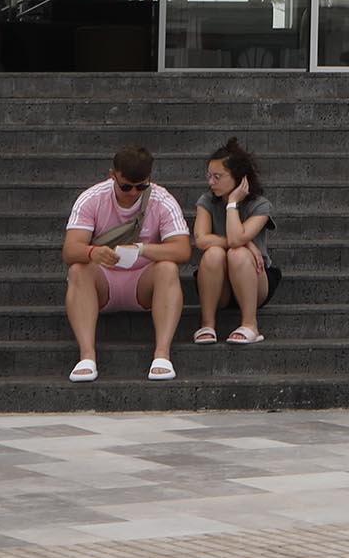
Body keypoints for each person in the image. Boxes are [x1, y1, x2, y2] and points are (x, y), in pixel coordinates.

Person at [62, 144, 192, 382]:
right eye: (126, 187)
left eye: (141, 186)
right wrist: (93, 252)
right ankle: (87, 355)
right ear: (113, 175)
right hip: (103, 281)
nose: (133, 193)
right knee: (78, 269)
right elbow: (70, 250)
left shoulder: (162, 200)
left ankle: (162, 353)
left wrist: (144, 249)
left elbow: (183, 250)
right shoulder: (92, 198)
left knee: (168, 267)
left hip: (143, 281)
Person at [191, 138, 278, 345]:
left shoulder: (261, 206)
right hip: (218, 285)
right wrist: (249, 244)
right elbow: (202, 240)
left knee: (237, 254)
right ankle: (208, 324)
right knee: (214, 253)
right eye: (209, 176)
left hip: (255, 281)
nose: (211, 182)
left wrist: (232, 204)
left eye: (218, 177)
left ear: (239, 178)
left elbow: (237, 238)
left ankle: (250, 325)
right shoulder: (206, 201)